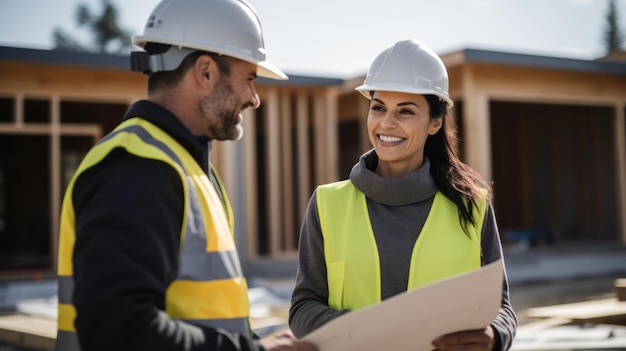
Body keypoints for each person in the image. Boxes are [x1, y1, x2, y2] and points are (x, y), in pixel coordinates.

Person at [55, 1, 318, 350]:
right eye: (250, 79)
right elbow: (118, 329)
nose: (255, 99)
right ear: (206, 72)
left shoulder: (187, 168)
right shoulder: (137, 168)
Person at [289, 39, 517, 351]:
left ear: (435, 122)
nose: (386, 123)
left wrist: (494, 336)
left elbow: (502, 308)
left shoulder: (472, 205)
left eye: (405, 111)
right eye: (378, 107)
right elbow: (302, 307)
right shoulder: (328, 204)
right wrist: (368, 333)